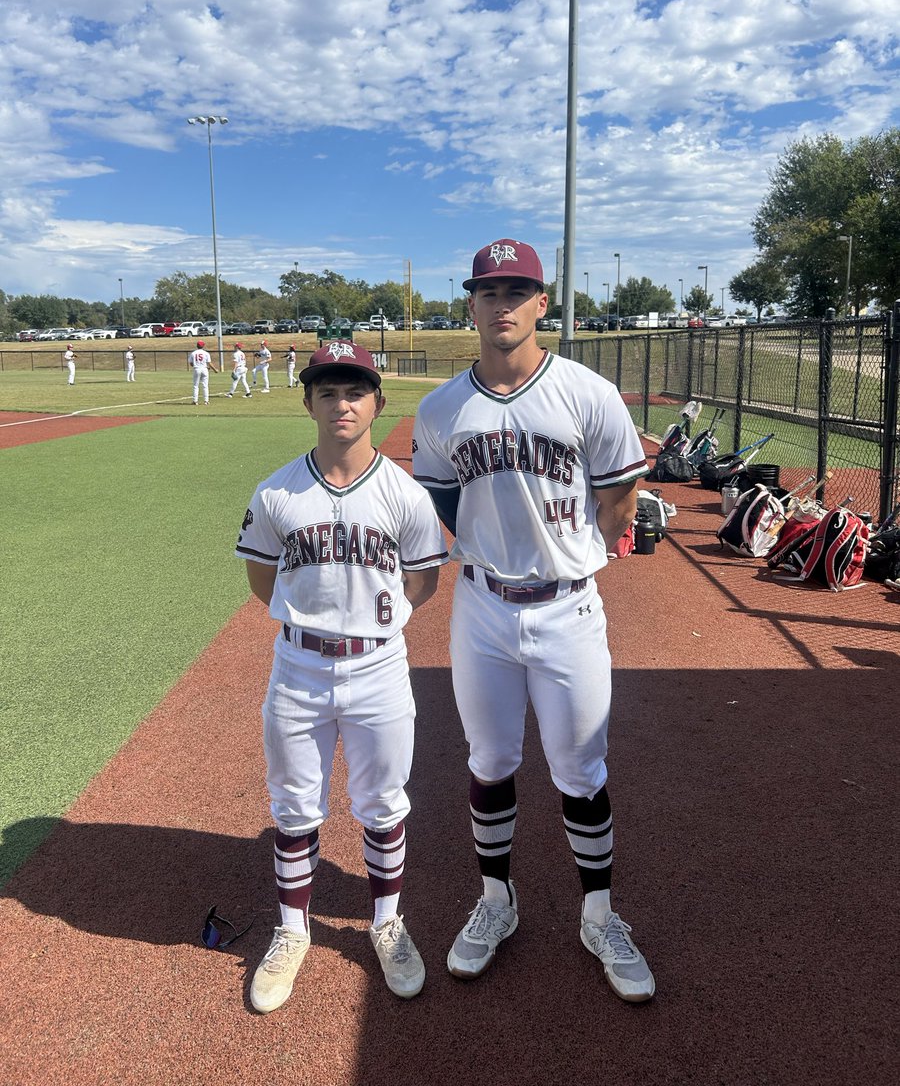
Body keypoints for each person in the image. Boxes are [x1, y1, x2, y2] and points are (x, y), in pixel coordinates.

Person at [412, 238, 655, 1003]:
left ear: (543, 302)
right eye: (489, 291)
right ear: (472, 302)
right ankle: (496, 903)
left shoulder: (587, 392)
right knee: (489, 763)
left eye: (518, 290)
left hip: (567, 607)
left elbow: (620, 498)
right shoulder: (442, 407)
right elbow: (443, 504)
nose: (503, 303)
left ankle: (599, 914)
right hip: (482, 606)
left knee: (582, 771)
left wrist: (574, 545)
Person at [236, 340, 448, 1012]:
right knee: (294, 809)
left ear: (376, 403)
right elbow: (261, 578)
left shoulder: (404, 494)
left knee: (384, 806)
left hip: (378, 666)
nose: (341, 403)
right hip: (298, 665)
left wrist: (377, 627)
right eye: (327, 391)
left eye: (354, 390)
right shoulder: (276, 490)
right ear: (309, 403)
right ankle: (293, 930)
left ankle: (387, 922)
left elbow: (424, 579)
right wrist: (310, 620)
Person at [187, 339, 218, 405]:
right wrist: (214, 369)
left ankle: (195, 401)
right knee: (205, 385)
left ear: (197, 346)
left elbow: (191, 363)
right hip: (204, 369)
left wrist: (196, 365)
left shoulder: (193, 353)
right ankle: (206, 401)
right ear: (203, 346)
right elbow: (209, 363)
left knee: (196, 385)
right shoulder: (206, 353)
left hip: (197, 369)